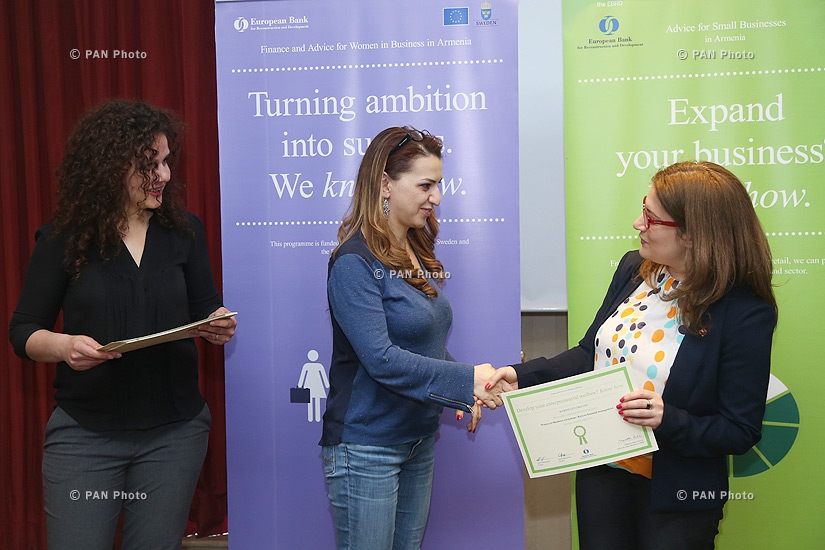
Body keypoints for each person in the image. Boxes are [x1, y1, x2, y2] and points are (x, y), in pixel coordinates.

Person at [486, 161, 777, 549]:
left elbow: (740, 430)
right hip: (602, 473)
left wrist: (666, 419)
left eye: (651, 218)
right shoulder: (633, 269)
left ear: (694, 234)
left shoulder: (744, 311)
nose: (638, 223)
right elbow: (589, 354)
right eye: (643, 209)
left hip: (677, 496)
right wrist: (520, 375)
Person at [8, 99, 237, 550]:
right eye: (151, 165)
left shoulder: (185, 232)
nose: (164, 175)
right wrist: (65, 347)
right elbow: (24, 332)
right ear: (111, 167)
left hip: (176, 434)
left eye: (166, 162)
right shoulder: (62, 239)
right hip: (85, 436)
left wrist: (217, 324)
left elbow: (207, 308)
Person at [321, 125, 506, 550]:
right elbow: (382, 359)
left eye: (438, 185)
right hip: (366, 449)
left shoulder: (413, 251)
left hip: (417, 441)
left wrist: (469, 390)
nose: (436, 197)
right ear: (385, 184)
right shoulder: (353, 262)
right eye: (426, 185)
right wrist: (466, 380)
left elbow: (425, 344)